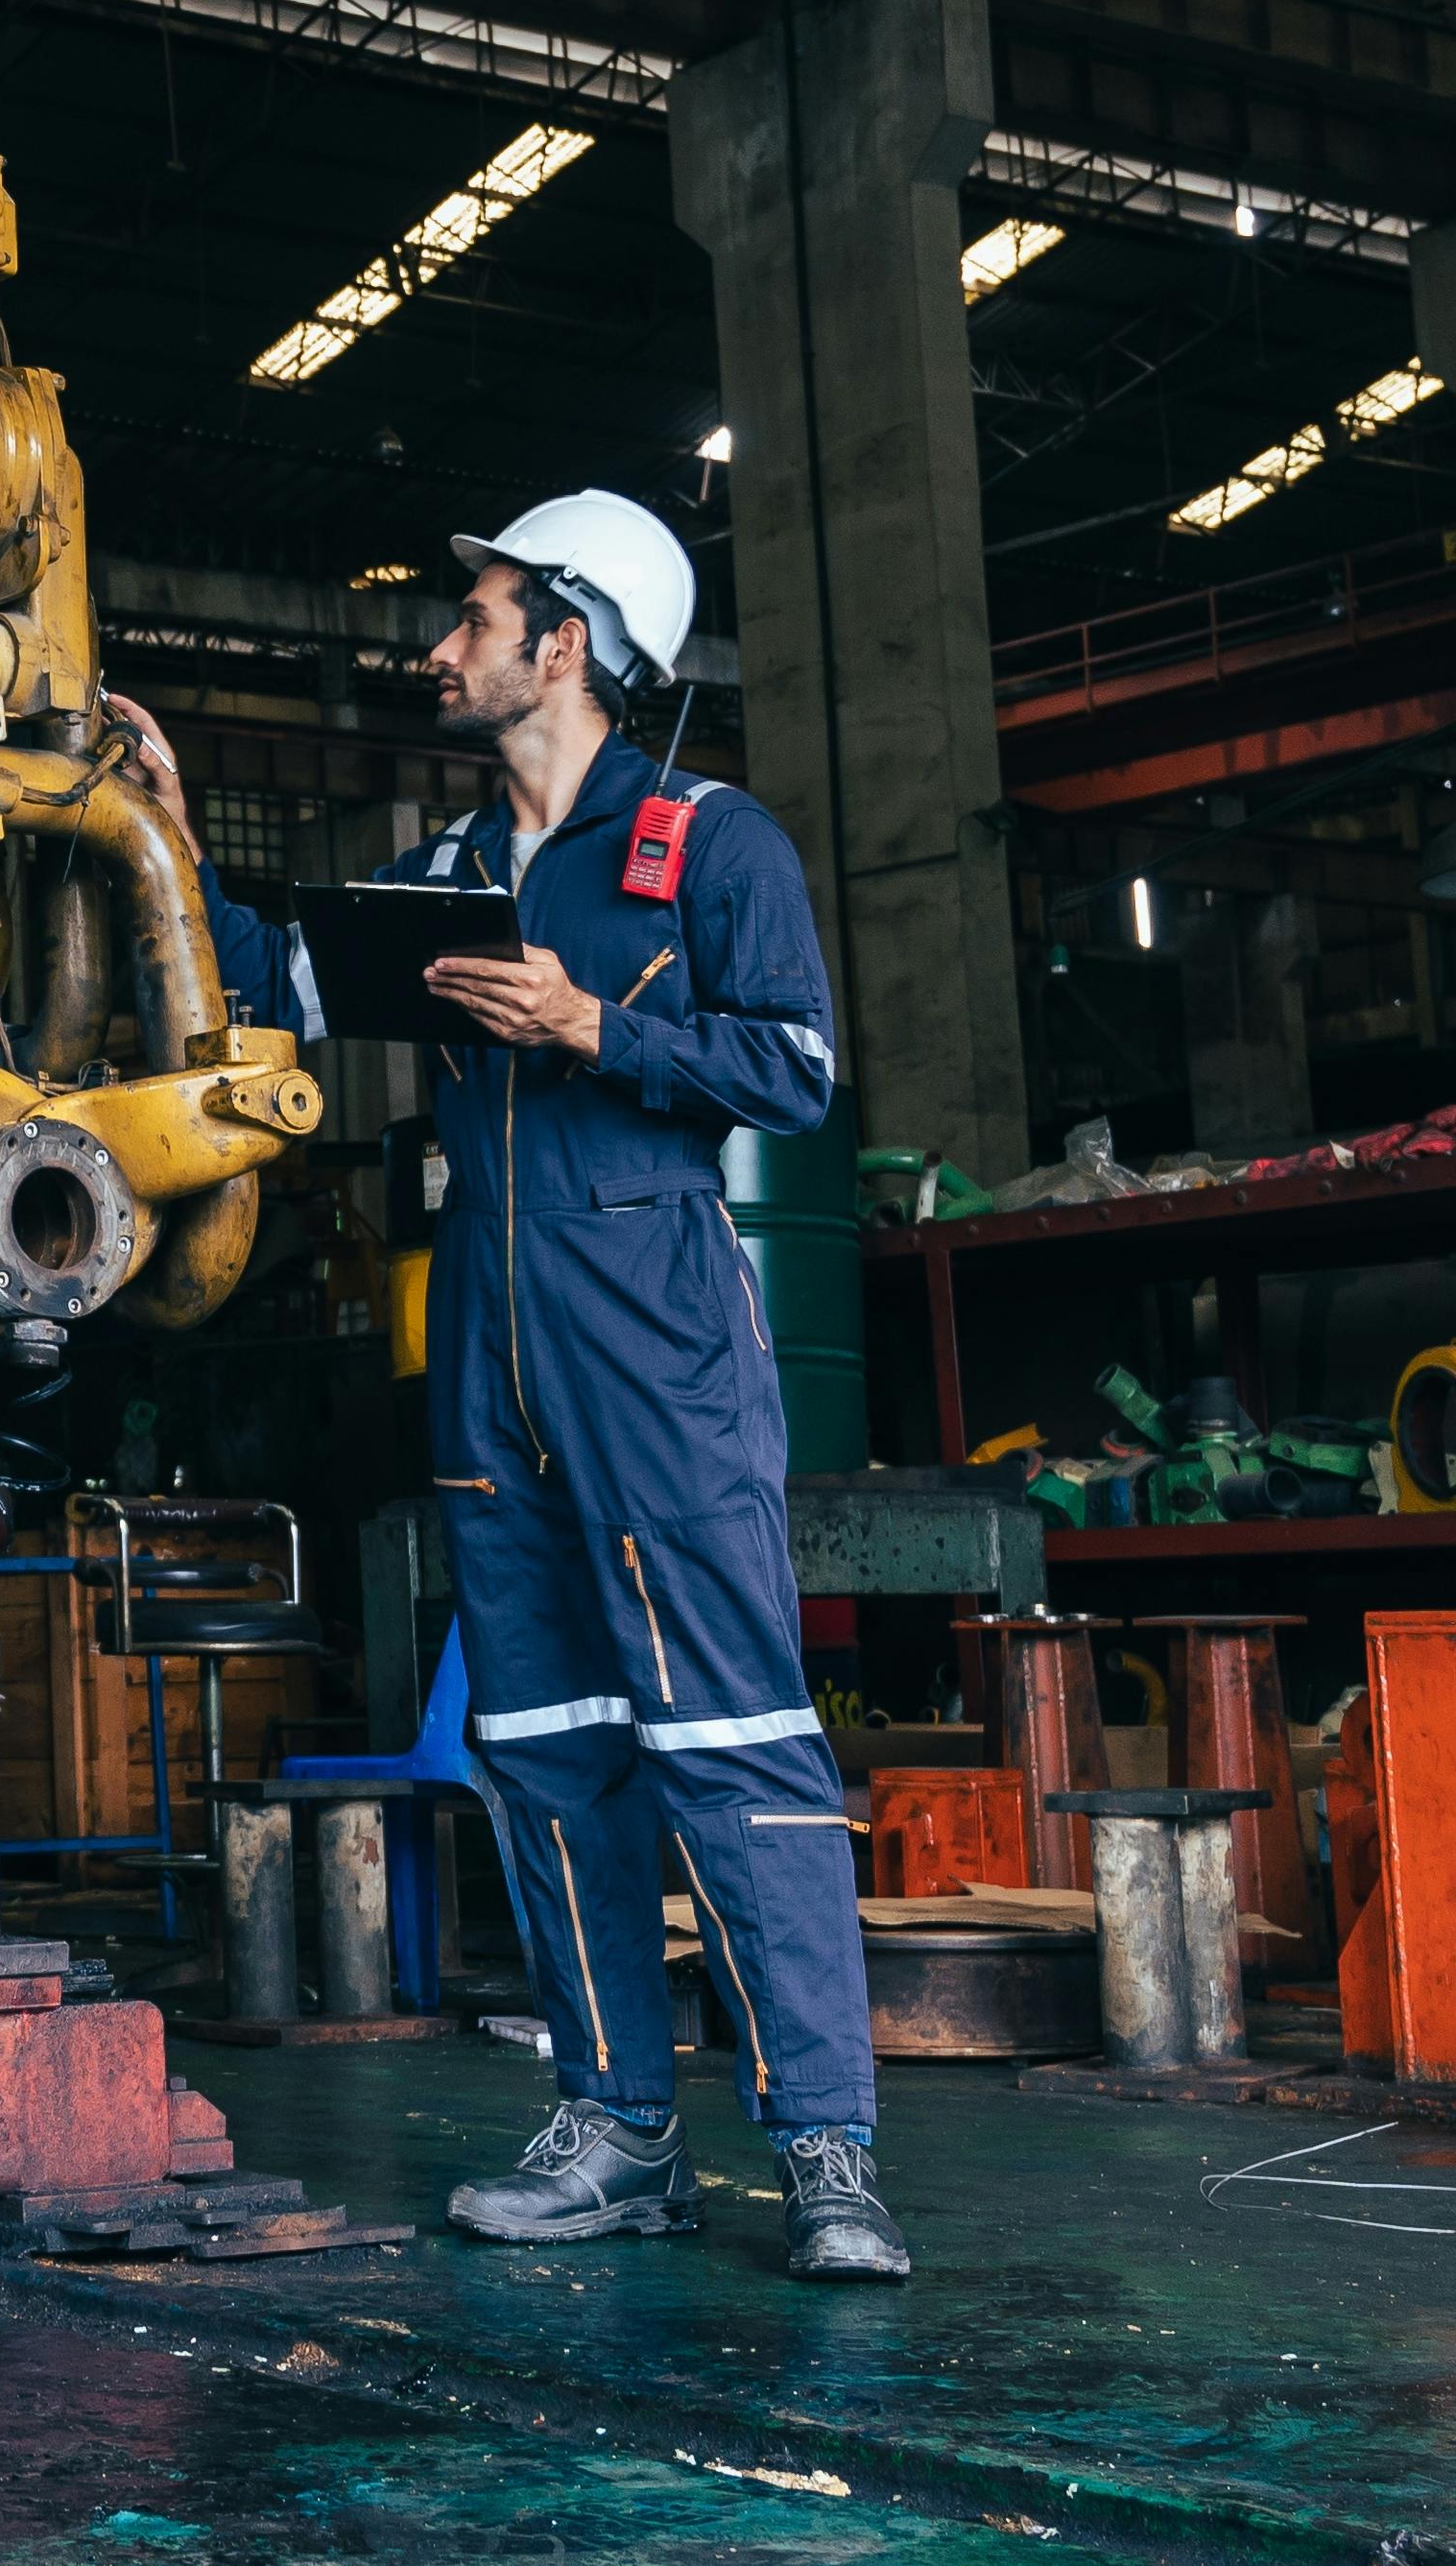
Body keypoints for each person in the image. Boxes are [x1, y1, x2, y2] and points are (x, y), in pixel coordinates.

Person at [378, 488, 904, 2283]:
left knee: (729, 1736)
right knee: (544, 1749)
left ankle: (825, 2148)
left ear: (567, 641)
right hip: (487, 1342)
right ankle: (616, 2131)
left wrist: (593, 1026)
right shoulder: (444, 872)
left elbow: (795, 1070)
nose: (440, 644)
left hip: (654, 1336)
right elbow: (270, 971)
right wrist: (128, 806)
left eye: (474, 614)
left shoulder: (710, 840)